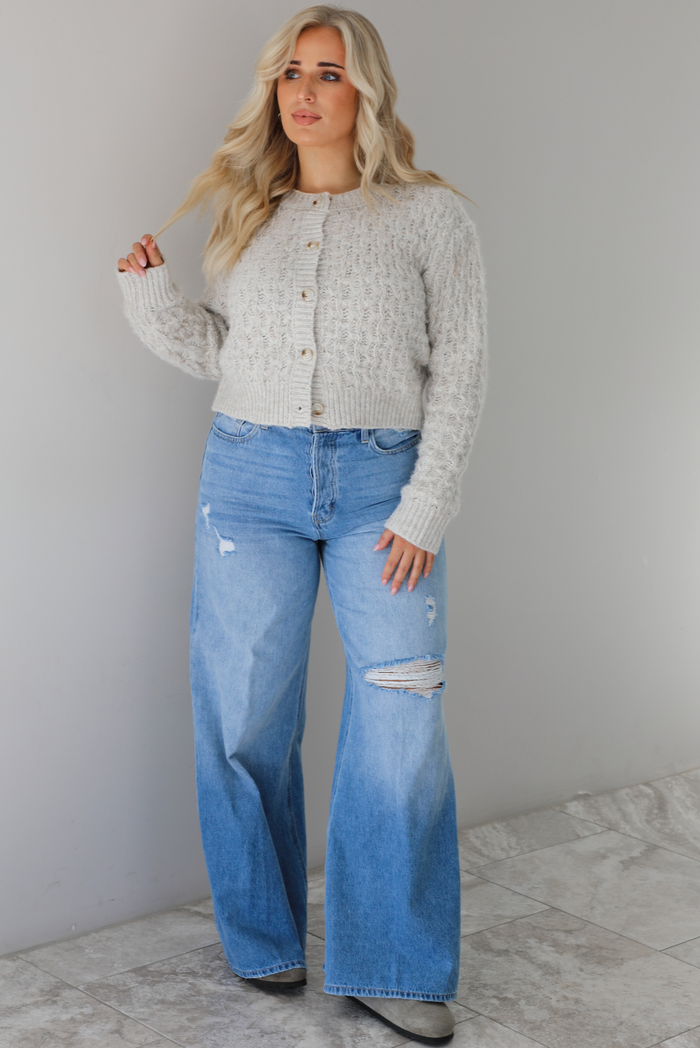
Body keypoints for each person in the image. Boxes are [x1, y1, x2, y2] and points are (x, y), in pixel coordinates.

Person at [117, 5, 486, 1043]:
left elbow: (460, 374)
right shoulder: (249, 214)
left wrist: (426, 503)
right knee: (240, 719)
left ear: (364, 88)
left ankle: (397, 963)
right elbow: (232, 361)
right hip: (247, 480)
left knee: (400, 720)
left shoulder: (430, 217)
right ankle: (263, 938)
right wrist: (151, 302)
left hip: (383, 490)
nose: (304, 90)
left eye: (327, 71)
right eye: (290, 72)